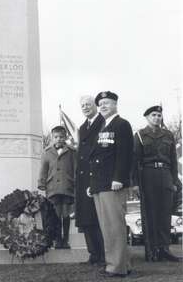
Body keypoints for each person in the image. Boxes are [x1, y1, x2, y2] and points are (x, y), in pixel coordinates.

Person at [88, 91, 133, 277]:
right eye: (101, 104)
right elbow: (98, 157)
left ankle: (116, 267)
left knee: (114, 227)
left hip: (112, 184)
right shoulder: (102, 126)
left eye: (107, 102)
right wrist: (93, 184)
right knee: (107, 227)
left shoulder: (121, 124)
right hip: (101, 184)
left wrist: (119, 178)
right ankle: (121, 264)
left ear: (115, 104)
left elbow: (125, 154)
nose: (103, 106)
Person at [132, 105, 182, 262]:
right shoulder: (140, 135)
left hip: (165, 175)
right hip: (148, 175)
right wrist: (135, 184)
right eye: (153, 115)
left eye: (159, 115)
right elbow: (135, 161)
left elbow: (173, 160)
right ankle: (151, 250)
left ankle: (164, 249)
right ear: (147, 117)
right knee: (150, 214)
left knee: (165, 213)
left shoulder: (168, 135)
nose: (157, 118)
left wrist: (174, 181)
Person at [75, 96, 105, 265]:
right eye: (82, 105)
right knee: (87, 217)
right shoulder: (82, 127)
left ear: (96, 106)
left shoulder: (103, 123)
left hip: (97, 176)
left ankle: (104, 253)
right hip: (83, 178)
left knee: (98, 217)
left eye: (88, 104)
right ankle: (93, 253)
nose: (85, 107)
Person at [38, 125, 76, 249]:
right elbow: (43, 169)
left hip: (67, 187)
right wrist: (41, 183)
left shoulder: (72, 152)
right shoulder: (47, 152)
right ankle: (57, 240)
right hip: (52, 187)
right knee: (55, 214)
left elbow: (76, 169)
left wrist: (76, 183)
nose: (59, 139)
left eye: (61, 137)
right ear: (52, 138)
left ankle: (66, 240)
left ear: (65, 137)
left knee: (65, 214)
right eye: (56, 137)